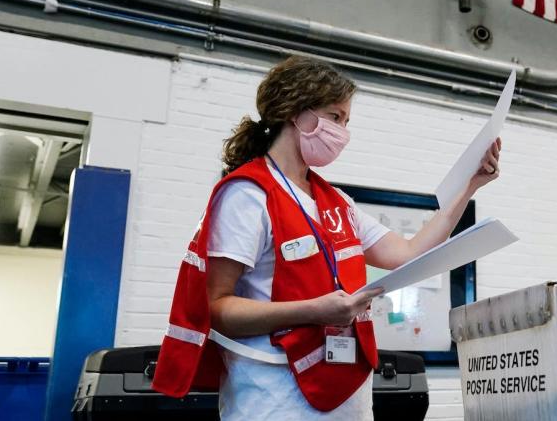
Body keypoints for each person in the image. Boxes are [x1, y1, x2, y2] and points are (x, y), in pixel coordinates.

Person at [154, 56, 503, 420]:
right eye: (335, 117)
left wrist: (470, 184)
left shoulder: (338, 203)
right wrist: (315, 310)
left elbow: (408, 253)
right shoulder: (249, 194)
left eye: (347, 121)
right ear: (296, 113)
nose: (343, 132)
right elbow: (218, 308)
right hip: (274, 398)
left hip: (347, 396)